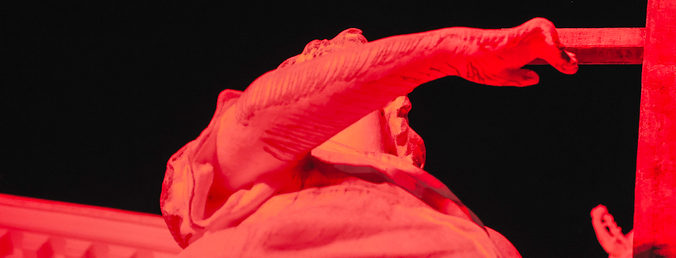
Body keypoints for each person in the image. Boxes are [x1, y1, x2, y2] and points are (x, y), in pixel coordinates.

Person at [160, 18, 577, 257]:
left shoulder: (471, 227)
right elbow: (260, 120)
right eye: (345, 59)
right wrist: (446, 51)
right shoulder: (251, 180)